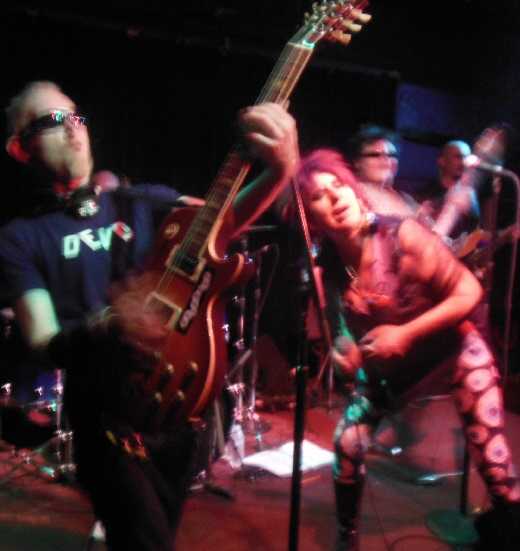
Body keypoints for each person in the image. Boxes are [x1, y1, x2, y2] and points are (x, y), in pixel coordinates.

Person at [0, 80, 299, 550]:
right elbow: (42, 340)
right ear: (20, 147)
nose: (73, 129)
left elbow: (221, 223)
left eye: (76, 116)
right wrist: (110, 323)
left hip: (180, 410)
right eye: (53, 120)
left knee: (157, 532)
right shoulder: (20, 237)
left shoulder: (141, 200)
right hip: (106, 419)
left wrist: (280, 171)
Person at [292, 149, 520, 551]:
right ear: (310, 220)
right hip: (391, 369)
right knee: (347, 444)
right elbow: (340, 327)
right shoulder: (328, 266)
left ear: (355, 190)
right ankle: (348, 536)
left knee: (496, 465)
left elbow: (469, 290)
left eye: (339, 185)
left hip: (452, 349)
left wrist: (406, 335)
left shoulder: (402, 236)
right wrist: (344, 347)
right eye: (318, 196)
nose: (335, 197)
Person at [346, 124, 417, 218]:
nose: (386, 160)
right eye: (375, 154)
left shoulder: (406, 198)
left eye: (392, 155)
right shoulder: (351, 195)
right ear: (357, 162)